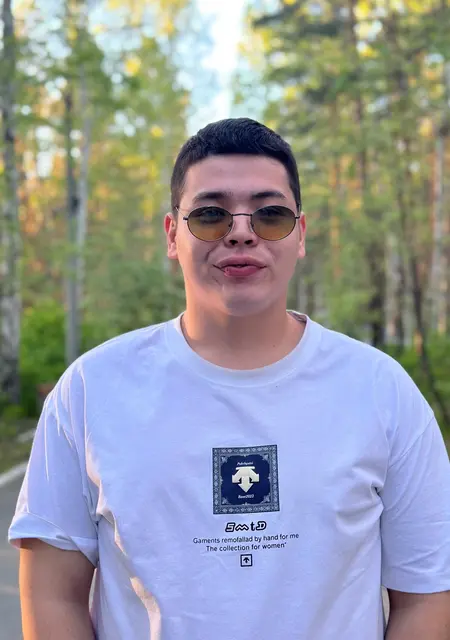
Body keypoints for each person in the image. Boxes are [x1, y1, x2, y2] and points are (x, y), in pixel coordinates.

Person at [8, 118, 450, 640]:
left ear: (300, 235)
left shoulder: (381, 391)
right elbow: (52, 595)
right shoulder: (91, 390)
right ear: (172, 234)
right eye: (211, 215)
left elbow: (427, 595)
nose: (241, 232)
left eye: (271, 215)